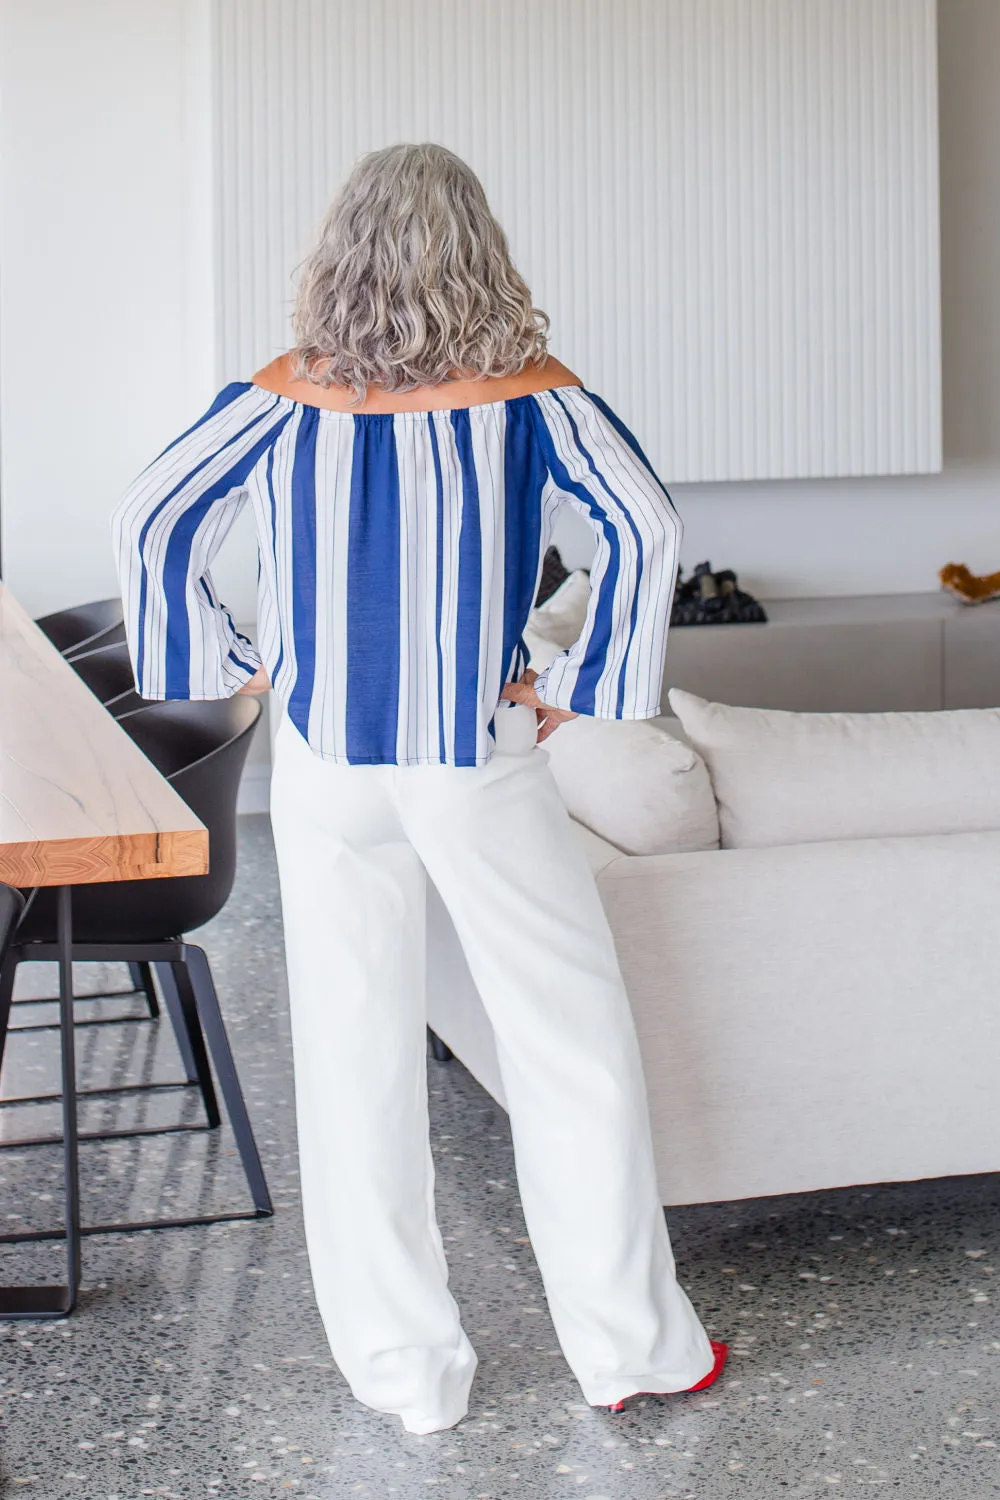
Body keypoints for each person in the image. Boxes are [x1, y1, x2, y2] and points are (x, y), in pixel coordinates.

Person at [112, 142, 726, 1435]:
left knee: (351, 1059)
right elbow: (648, 528)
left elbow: (153, 515)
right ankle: (631, 1350)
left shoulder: (281, 396)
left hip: (331, 771)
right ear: (477, 249)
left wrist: (239, 662)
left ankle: (407, 1377)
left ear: (341, 251)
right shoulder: (530, 395)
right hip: (472, 762)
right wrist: (588, 686)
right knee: (569, 1050)